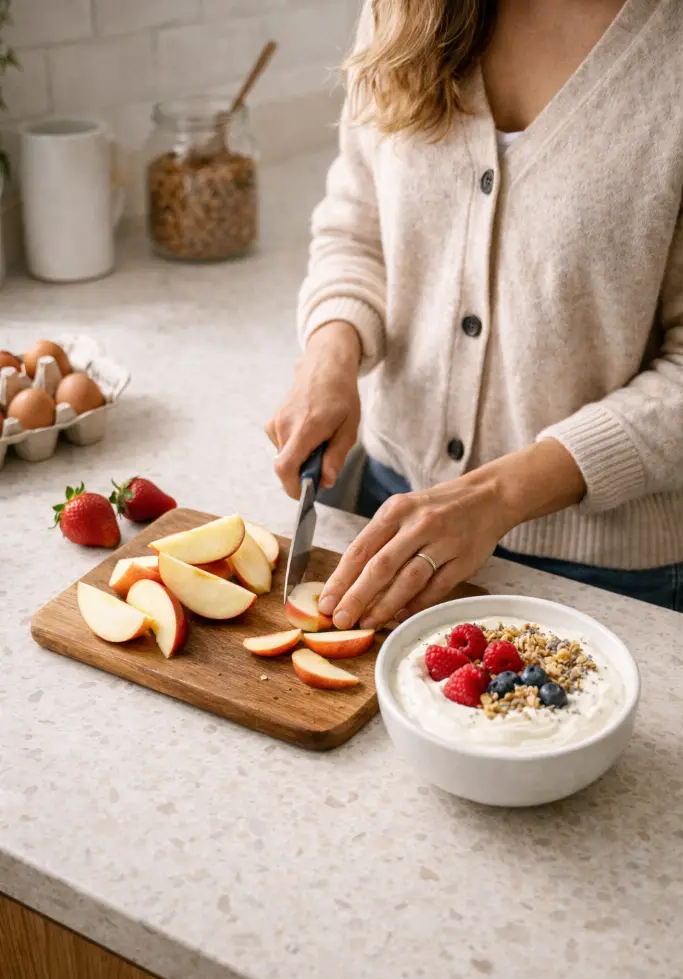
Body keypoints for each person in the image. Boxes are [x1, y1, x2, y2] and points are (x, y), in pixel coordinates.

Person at [266, 0, 683, 628]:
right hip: (389, 510)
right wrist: (331, 348)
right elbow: (359, 225)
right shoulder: (402, 10)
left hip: (604, 576)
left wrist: (495, 496)